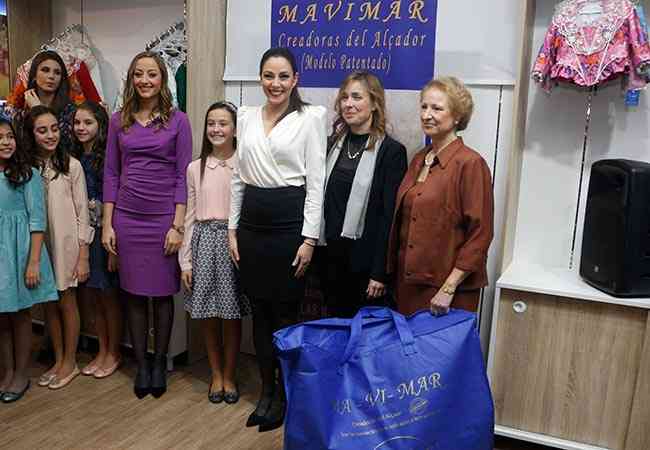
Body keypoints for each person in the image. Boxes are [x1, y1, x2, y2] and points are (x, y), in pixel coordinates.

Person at [228, 48, 326, 431]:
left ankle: (284, 396)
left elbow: (315, 181)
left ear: (295, 79)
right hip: (252, 227)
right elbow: (239, 178)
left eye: (284, 76)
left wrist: (309, 239)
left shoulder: (311, 117)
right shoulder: (246, 116)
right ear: (260, 78)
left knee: (285, 314)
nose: (276, 83)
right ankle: (266, 392)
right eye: (269, 75)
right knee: (260, 313)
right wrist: (232, 229)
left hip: (289, 226)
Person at [103, 51, 192, 399]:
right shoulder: (118, 121)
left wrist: (178, 225)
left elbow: (183, 176)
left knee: (162, 294)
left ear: (162, 79)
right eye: (138, 74)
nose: (144, 80)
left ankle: (159, 362)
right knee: (134, 295)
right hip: (127, 218)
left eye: (151, 74)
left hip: (163, 220)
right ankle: (142, 365)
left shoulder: (178, 121)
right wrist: (108, 224)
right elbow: (111, 173)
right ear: (131, 79)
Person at [387, 76, 494, 316]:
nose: (427, 115)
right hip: (408, 285)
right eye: (424, 107)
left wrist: (449, 287)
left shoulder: (470, 163)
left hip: (446, 291)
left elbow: (481, 233)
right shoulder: (419, 158)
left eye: (436, 108)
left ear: (457, 116)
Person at [317, 71, 407, 318]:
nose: (348, 104)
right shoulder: (330, 145)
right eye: (344, 97)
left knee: (363, 334)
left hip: (365, 267)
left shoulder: (392, 152)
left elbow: (389, 219)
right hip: (329, 261)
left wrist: (380, 273)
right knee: (335, 328)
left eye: (357, 97)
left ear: (375, 103)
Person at [180, 101, 250, 405]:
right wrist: (185, 260)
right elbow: (189, 216)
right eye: (211, 123)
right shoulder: (195, 168)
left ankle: (230, 374)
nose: (216, 129)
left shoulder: (244, 164)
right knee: (208, 314)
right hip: (204, 243)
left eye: (223, 123)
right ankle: (216, 374)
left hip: (233, 245)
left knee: (231, 315)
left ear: (234, 129)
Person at [24, 105, 93, 390]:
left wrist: (83, 254)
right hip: (40, 245)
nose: (50, 135)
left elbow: (83, 212)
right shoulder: (27, 167)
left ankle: (70, 362)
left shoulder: (71, 165)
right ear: (31, 134)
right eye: (42, 130)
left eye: (54, 129)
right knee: (49, 304)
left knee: (66, 300)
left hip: (67, 245)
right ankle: (59, 357)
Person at [0, 116, 58, 403]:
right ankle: (7, 371)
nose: (5, 142)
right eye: (0, 138)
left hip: (21, 252)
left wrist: (33, 261)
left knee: (21, 314)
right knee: (1, 315)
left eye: (9, 136)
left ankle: (21, 374)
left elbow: (37, 221)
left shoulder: (28, 174)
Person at [72, 101, 123, 379]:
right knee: (93, 296)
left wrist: (114, 248)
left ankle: (113, 352)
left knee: (109, 296)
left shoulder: (107, 159)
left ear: (100, 125)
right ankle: (101, 349)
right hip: (85, 236)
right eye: (77, 123)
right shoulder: (76, 158)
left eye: (88, 122)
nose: (81, 128)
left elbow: (115, 201)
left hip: (106, 235)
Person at [11, 51, 77, 154]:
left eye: (57, 72)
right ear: (34, 75)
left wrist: (38, 109)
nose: (51, 76)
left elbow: (63, 150)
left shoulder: (71, 112)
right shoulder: (20, 113)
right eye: (45, 70)